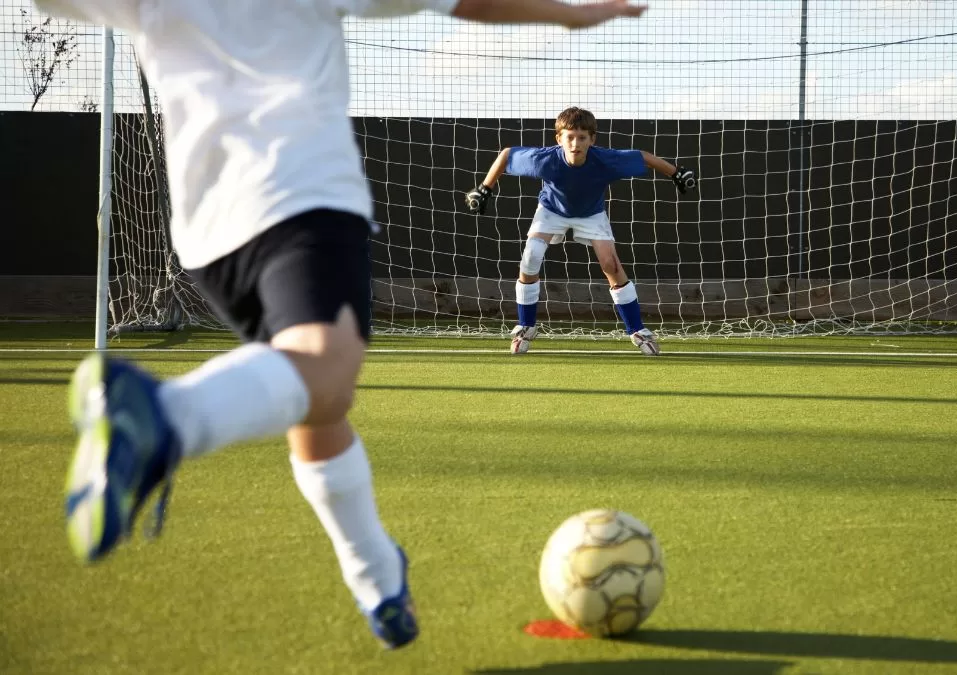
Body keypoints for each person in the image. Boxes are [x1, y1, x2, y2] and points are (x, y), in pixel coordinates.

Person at [39, 0, 647, 651]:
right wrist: (569, 16)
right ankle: (168, 416)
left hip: (208, 236)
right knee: (325, 370)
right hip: (304, 203)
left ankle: (380, 580)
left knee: (313, 401)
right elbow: (465, 1)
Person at [466, 106, 696, 355]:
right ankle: (526, 327)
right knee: (530, 257)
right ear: (559, 139)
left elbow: (642, 157)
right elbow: (507, 154)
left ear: (592, 139)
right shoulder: (545, 159)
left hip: (591, 214)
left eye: (582, 137)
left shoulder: (605, 160)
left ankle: (638, 331)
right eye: (569, 137)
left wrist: (676, 173)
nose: (575, 143)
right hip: (551, 211)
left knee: (611, 265)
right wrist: (484, 188)